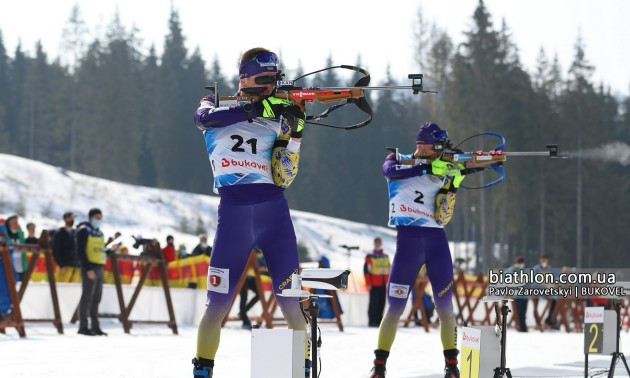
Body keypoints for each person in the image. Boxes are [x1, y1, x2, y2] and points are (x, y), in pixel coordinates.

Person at [192, 47, 308, 378]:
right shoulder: (215, 105)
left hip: (274, 215)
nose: (272, 85)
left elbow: (285, 175)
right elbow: (203, 119)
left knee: (292, 305)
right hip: (234, 218)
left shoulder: (279, 114)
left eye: (275, 79)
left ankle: (302, 370)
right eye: (265, 79)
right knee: (216, 307)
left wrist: (295, 133)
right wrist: (253, 108)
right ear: (245, 79)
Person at [370, 122, 465, 378]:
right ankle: (379, 366)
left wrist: (454, 182)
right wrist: (426, 166)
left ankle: (452, 366)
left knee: (446, 309)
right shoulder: (400, 161)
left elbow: (444, 212)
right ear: (422, 146)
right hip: (408, 242)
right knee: (394, 309)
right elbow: (387, 170)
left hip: (437, 242)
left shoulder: (443, 168)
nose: (438, 153)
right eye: (435, 148)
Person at [76, 208, 108, 336]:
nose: (98, 220)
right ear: (90, 217)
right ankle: (83, 326)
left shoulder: (99, 233)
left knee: (96, 298)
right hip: (90, 268)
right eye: (96, 217)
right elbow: (81, 251)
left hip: (100, 266)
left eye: (100, 217)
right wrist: (87, 268)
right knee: (87, 297)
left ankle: (95, 326)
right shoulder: (84, 231)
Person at [238, 247, 268, 329]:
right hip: (242, 276)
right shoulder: (247, 246)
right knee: (244, 297)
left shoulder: (258, 248)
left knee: (259, 294)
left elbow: (262, 261)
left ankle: (243, 311)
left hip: (250, 276)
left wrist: (262, 264)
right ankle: (245, 320)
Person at [364, 237, 390, 327]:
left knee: (382, 302)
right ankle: (372, 321)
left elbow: (389, 268)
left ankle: (379, 321)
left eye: (379, 242)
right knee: (373, 302)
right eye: (376, 242)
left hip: (383, 283)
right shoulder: (370, 256)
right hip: (374, 283)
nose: (378, 244)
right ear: (374, 243)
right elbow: (366, 270)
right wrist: (368, 283)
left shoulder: (385, 256)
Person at [532, 255, 559, 329]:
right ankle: (538, 322)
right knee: (535, 307)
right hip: (536, 289)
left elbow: (556, 280)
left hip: (546, 290)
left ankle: (549, 320)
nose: (544, 261)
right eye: (542, 260)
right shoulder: (536, 269)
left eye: (545, 260)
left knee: (554, 301)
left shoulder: (551, 269)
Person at [52, 212, 79, 283]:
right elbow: (55, 251)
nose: (72, 220)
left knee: (73, 290)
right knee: (62, 288)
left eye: (73, 218)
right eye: (70, 218)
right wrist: (61, 265)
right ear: (65, 219)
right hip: (64, 267)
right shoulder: (59, 233)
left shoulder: (75, 233)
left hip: (75, 267)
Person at [504, 256, 529, 332]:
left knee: (523, 313)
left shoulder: (525, 271)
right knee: (518, 312)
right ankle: (520, 327)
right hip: (516, 295)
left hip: (525, 295)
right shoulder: (512, 270)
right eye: (519, 263)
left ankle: (523, 327)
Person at [5, 215, 26, 281]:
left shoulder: (21, 234)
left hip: (20, 264)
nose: (17, 224)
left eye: (17, 222)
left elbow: (24, 246)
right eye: (15, 223)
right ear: (9, 224)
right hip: (9, 263)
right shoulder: (5, 234)